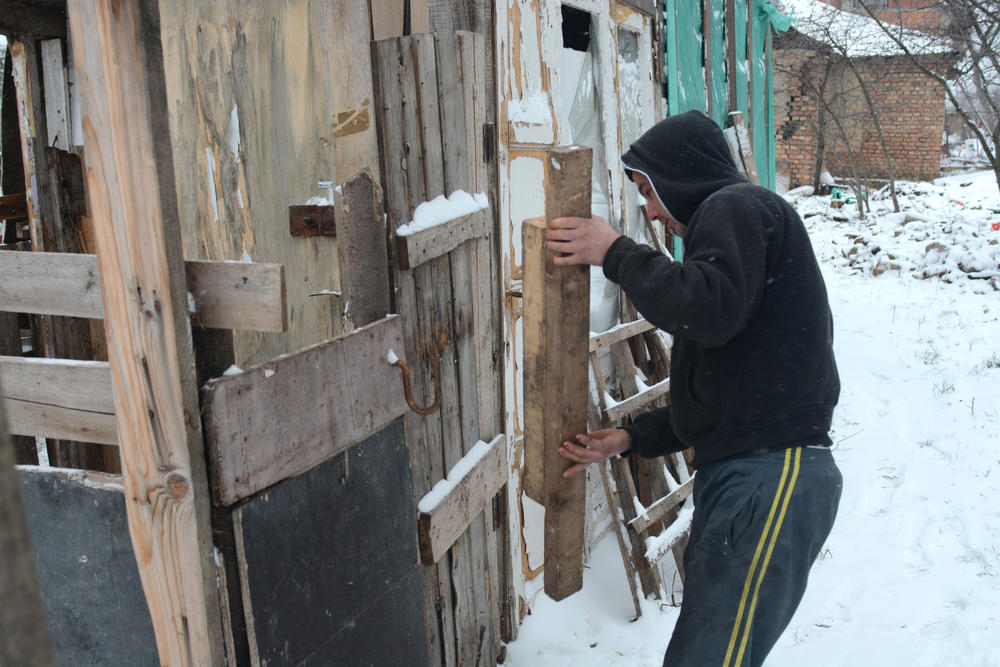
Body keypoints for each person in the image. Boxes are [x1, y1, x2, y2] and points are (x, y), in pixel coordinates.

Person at [545, 110, 843, 667]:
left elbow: (705, 312)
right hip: (755, 473)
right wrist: (632, 439)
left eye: (650, 191)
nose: (652, 211)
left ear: (681, 174)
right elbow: (726, 387)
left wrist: (615, 253)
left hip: (770, 476)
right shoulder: (737, 230)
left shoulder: (736, 207)